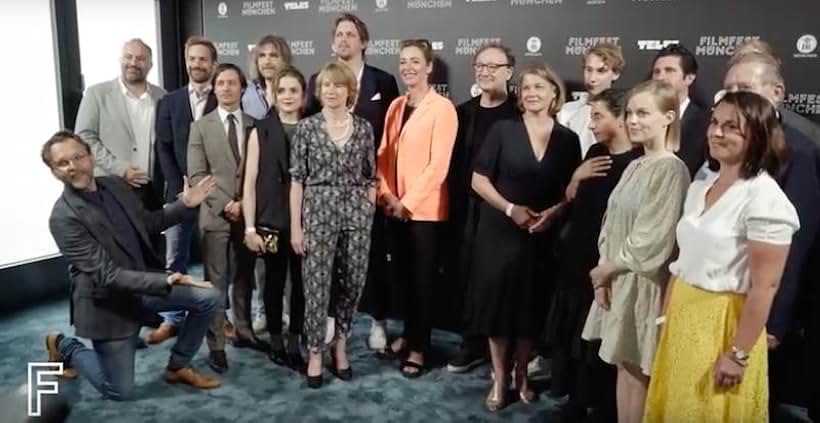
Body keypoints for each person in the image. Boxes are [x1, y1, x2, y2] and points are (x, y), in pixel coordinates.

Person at [643, 91, 799, 422]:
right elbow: (682, 264)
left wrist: (737, 355)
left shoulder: (765, 200)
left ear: (757, 135)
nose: (716, 132)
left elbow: (764, 288)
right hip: (683, 319)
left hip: (724, 328)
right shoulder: (702, 186)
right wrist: (665, 318)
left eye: (731, 127)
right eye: (714, 122)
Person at [42, 131, 220, 399]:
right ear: (54, 172)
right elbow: (106, 274)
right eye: (62, 163)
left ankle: (178, 366)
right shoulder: (63, 218)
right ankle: (64, 345)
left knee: (210, 298)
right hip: (110, 305)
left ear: (90, 157)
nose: (73, 167)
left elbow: (147, 223)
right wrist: (167, 280)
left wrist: (184, 204)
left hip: (144, 287)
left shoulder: (115, 185)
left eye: (78, 157)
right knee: (120, 391)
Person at [467, 64, 581, 410]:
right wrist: (509, 208)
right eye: (526, 87)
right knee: (499, 310)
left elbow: (570, 191)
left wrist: (553, 214)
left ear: (554, 94)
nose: (530, 92)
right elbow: (478, 180)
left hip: (540, 235)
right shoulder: (503, 130)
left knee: (530, 310)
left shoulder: (568, 139)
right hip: (500, 232)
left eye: (538, 87)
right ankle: (500, 378)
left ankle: (522, 374)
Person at [581, 80, 690, 423]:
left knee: (641, 371)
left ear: (668, 117)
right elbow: (611, 226)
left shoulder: (671, 169)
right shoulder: (635, 164)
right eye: (629, 113)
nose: (632, 120)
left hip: (645, 286)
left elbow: (653, 241)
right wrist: (603, 274)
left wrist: (606, 270)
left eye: (643, 113)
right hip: (619, 282)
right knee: (624, 368)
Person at [722, 52, 820, 418]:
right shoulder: (722, 142)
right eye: (728, 88)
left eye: (744, 87)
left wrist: (775, 320)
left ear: (776, 92)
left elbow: (796, 244)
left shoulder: (799, 151)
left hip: (761, 305)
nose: (734, 95)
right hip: (719, 298)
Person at [544, 88, 642, 422]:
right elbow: (571, 197)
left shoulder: (639, 162)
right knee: (572, 333)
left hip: (609, 263)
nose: (592, 122)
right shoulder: (596, 151)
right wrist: (576, 176)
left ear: (621, 116)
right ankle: (574, 398)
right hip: (576, 254)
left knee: (601, 338)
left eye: (598, 116)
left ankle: (600, 405)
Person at [304, 14, 400, 352]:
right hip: (328, 193)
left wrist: (380, 188)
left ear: (364, 42)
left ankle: (378, 321)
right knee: (329, 260)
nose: (344, 39)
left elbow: (390, 138)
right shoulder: (320, 79)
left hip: (368, 188)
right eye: (339, 34)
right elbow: (310, 130)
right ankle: (330, 319)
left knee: (372, 259)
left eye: (351, 34)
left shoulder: (384, 81)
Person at [289, 62, 377, 388]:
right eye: (326, 85)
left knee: (352, 285)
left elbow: (371, 176)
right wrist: (297, 228)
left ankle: (340, 346)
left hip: (356, 218)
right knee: (316, 288)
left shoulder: (365, 128)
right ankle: (315, 352)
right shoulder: (306, 129)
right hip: (317, 217)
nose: (331, 90)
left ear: (348, 90)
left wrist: (367, 210)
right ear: (319, 90)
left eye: (338, 85)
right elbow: (297, 181)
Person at [377, 39, 458, 378]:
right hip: (393, 208)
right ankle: (409, 334)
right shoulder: (395, 105)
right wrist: (385, 195)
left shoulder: (443, 108)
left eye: (415, 61)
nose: (408, 66)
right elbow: (382, 155)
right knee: (404, 280)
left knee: (423, 283)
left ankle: (419, 349)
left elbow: (438, 167)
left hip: (424, 212)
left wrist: (406, 203)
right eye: (403, 61)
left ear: (429, 67)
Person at [188, 63, 267, 374]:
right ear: (215, 87)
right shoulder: (201, 127)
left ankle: (244, 332)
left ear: (242, 88)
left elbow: (258, 174)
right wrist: (226, 204)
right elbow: (197, 174)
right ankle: (217, 344)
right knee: (216, 284)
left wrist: (243, 204)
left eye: (232, 83)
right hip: (215, 216)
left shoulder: (255, 124)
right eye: (220, 83)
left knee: (244, 278)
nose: (225, 88)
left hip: (246, 215)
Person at [446, 42, 519, 374]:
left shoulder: (521, 113)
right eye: (481, 65)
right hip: (465, 211)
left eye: (494, 66)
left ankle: (504, 351)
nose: (486, 71)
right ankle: (471, 341)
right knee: (465, 275)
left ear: (509, 71)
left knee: (500, 282)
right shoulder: (462, 112)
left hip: (505, 211)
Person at [150, 36, 218, 344]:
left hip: (216, 195)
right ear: (186, 61)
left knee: (216, 260)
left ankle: (219, 318)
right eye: (192, 58)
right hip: (179, 196)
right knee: (174, 258)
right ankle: (172, 319)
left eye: (203, 59)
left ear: (213, 64)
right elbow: (163, 148)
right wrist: (179, 188)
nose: (197, 64)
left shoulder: (226, 96)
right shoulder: (169, 101)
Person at [242, 66, 307, 372]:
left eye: (293, 90)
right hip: (270, 220)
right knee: (273, 282)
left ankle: (296, 339)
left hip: (307, 220)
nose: (287, 96)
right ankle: (277, 341)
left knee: (302, 284)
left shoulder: (313, 127)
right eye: (282, 91)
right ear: (273, 94)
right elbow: (249, 182)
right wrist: (250, 226)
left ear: (303, 95)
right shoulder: (260, 130)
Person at [75, 38, 167, 210]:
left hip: (151, 192)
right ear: (120, 60)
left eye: (140, 58)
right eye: (128, 57)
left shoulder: (163, 96)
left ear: (150, 64)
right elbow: (84, 137)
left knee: (151, 237)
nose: (133, 62)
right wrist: (121, 169)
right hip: (110, 188)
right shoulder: (97, 94)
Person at [650, 44, 710, 178]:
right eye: (657, 71)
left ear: (689, 78)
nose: (660, 77)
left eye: (669, 70)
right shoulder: (640, 119)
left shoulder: (706, 121)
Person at [558, 42, 625, 157]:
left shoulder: (624, 112)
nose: (592, 78)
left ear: (616, 73)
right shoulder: (566, 111)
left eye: (601, 71)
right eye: (589, 70)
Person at [242, 34, 292, 120]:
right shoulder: (246, 90)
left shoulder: (295, 91)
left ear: (285, 61)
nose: (267, 61)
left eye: (273, 55)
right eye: (262, 55)